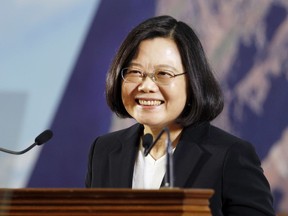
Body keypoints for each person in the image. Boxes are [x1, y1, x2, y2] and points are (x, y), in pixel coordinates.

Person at [85, 15, 275, 216]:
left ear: (192, 82)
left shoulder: (230, 156)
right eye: (134, 72)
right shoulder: (103, 151)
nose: (147, 86)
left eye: (163, 74)